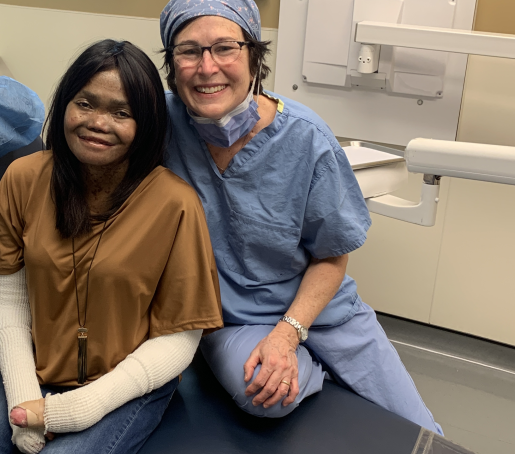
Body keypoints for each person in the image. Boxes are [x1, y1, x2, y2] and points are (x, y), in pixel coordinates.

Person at [158, 0, 443, 434]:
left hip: (325, 310)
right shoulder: (159, 123)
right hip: (236, 318)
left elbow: (332, 256)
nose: (207, 66)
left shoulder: (307, 140)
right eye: (189, 51)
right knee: (265, 392)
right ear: (171, 63)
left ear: (255, 55)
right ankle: (305, 373)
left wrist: (288, 335)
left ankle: (310, 361)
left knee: (419, 430)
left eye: (225, 48)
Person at [0, 39, 223, 454]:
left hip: (128, 385)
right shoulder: (23, 179)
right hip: (35, 372)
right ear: (64, 104)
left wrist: (80, 408)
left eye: (121, 112)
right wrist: (26, 401)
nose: (98, 122)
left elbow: (181, 337)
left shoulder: (175, 204)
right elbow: (7, 298)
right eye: (85, 103)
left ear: (145, 124)